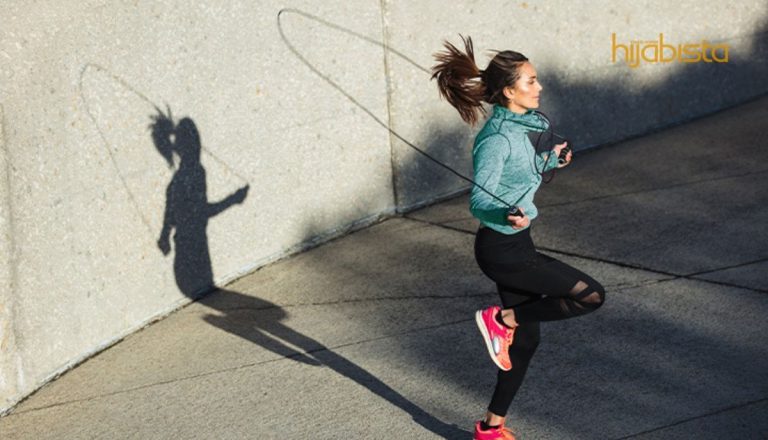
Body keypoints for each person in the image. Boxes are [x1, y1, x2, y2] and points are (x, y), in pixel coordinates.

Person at [432, 36, 606, 440]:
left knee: (525, 344)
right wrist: (501, 213)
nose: (539, 87)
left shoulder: (529, 124)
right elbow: (479, 200)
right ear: (509, 91)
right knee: (591, 295)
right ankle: (500, 319)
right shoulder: (494, 140)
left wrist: (552, 159)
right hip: (500, 250)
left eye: (536, 78)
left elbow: (525, 169)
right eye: (530, 81)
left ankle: (490, 429)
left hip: (518, 243)